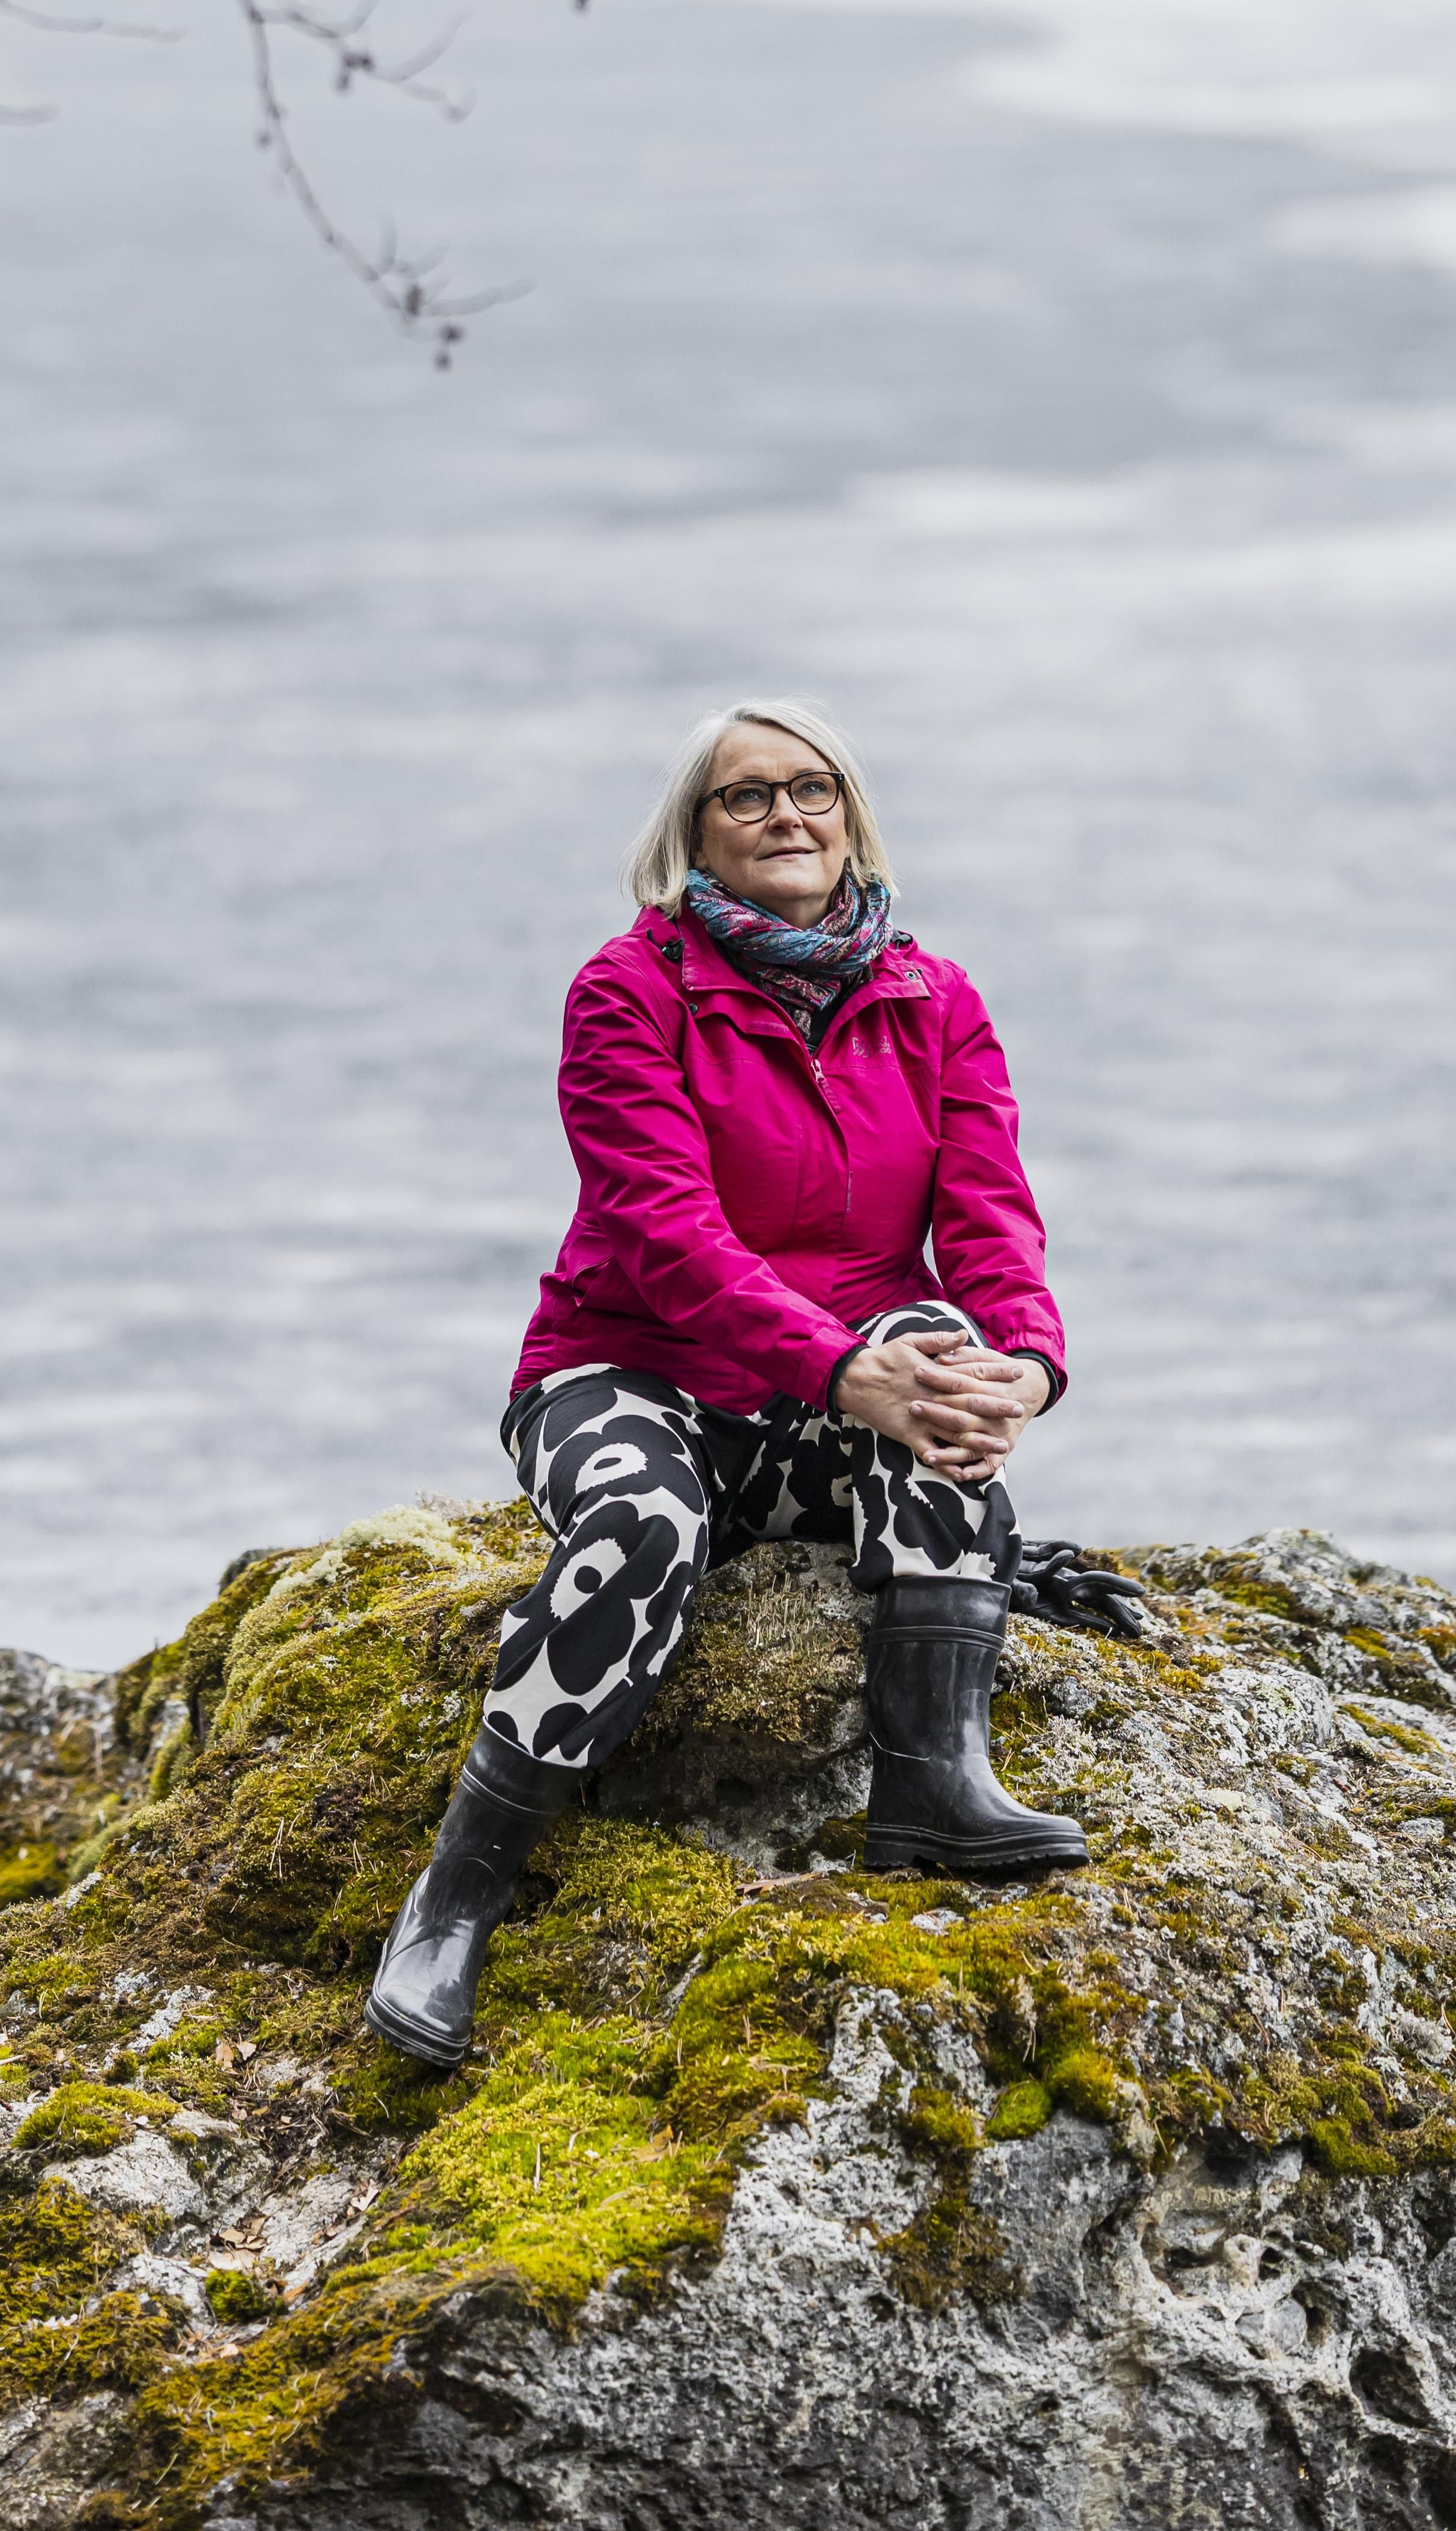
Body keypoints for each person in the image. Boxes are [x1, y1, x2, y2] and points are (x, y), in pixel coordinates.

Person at [366, 698, 1085, 2074]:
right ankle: (455, 1896)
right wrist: (838, 1368)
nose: (782, 817)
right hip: (629, 1368)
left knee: (943, 1344)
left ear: (849, 816)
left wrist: (1024, 1370)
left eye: (808, 790)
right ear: (690, 834)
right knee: (642, 1529)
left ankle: (930, 1789)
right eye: (743, 797)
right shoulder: (625, 992)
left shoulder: (935, 1001)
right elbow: (664, 1232)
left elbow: (991, 1217)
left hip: (840, 1383)